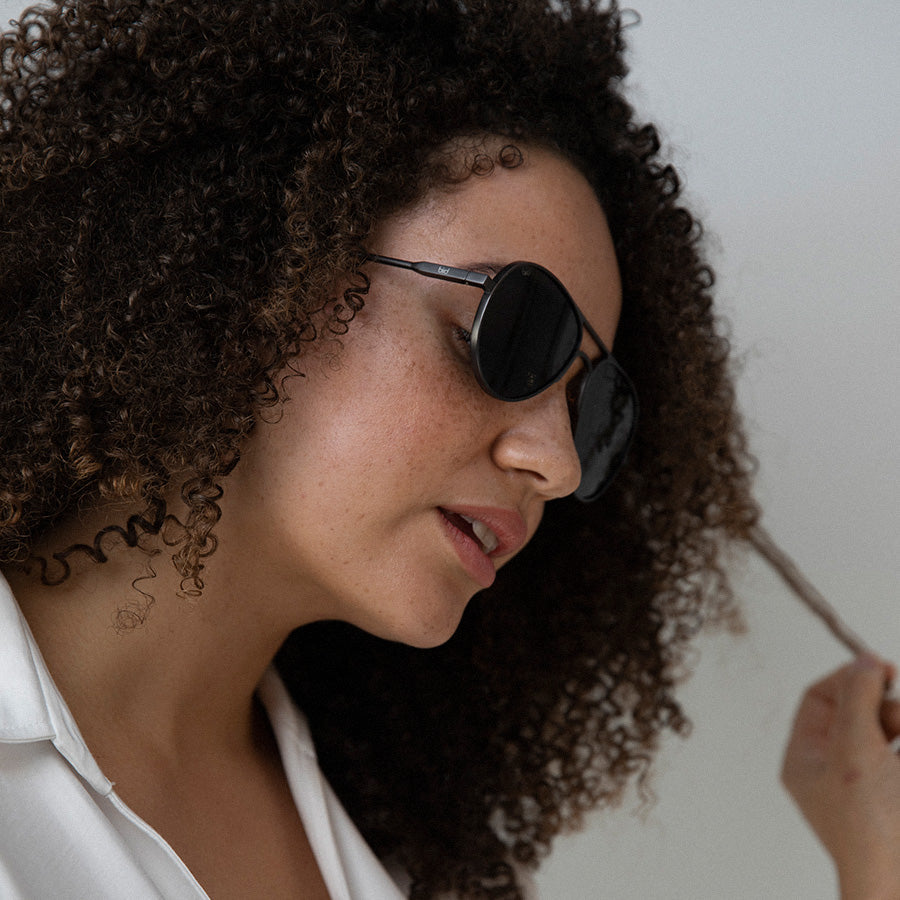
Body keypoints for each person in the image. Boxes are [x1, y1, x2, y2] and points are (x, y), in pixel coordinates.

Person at [0, 1, 893, 898]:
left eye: (595, 412)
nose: (562, 465)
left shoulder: (409, 860)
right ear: (255, 258)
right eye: (512, 337)